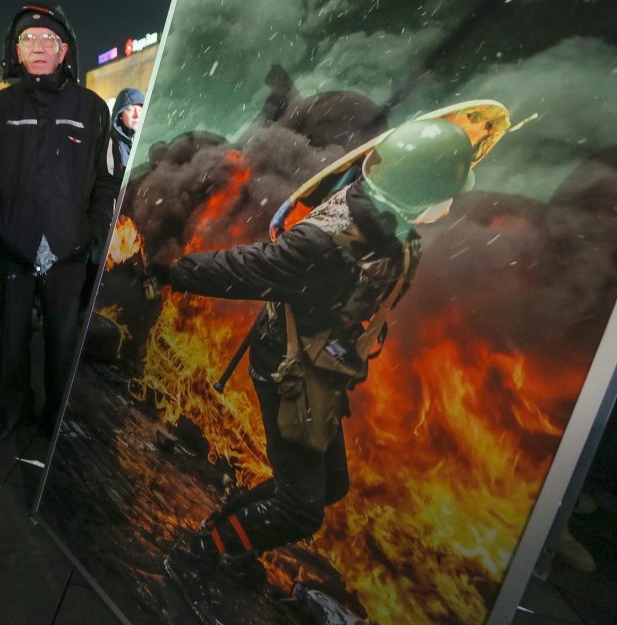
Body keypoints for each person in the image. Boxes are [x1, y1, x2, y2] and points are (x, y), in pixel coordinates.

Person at [147, 118, 477, 624]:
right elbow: (248, 268)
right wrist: (173, 271)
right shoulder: (325, 245)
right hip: (289, 368)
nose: (450, 206)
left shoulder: (388, 216)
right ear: (412, 195)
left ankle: (231, 536)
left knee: (328, 486)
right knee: (301, 509)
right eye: (444, 194)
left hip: (323, 367)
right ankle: (200, 552)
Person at [0, 2, 118, 444]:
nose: (37, 46)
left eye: (47, 39)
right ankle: (11, 408)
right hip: (13, 249)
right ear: (15, 51)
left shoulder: (90, 108)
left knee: (62, 341)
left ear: (64, 50)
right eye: (28, 39)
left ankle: (58, 414)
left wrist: (89, 233)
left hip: (69, 252)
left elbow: (107, 180)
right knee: (10, 341)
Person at [108, 87, 144, 175]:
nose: (137, 115)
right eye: (130, 109)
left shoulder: (150, 139)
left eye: (141, 110)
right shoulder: (110, 144)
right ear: (120, 114)